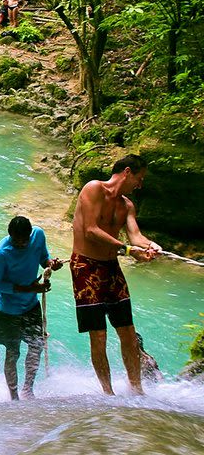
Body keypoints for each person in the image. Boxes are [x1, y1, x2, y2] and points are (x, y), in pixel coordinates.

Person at [70, 154, 161, 396]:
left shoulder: (127, 205)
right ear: (127, 171)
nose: (140, 185)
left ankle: (136, 390)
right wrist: (128, 250)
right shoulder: (93, 189)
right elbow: (90, 230)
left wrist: (151, 245)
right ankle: (108, 394)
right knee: (98, 335)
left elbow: (135, 236)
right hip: (85, 267)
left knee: (128, 333)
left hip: (111, 267)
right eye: (139, 179)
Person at [0, 216, 63, 400]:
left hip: (31, 305)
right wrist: (31, 288)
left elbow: (43, 258)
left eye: (24, 240)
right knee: (12, 352)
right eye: (17, 241)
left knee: (36, 346)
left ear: (30, 235)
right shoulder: (0, 253)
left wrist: (51, 264)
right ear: (10, 236)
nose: (21, 244)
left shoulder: (38, 235)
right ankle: (13, 396)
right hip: (8, 311)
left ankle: (28, 389)